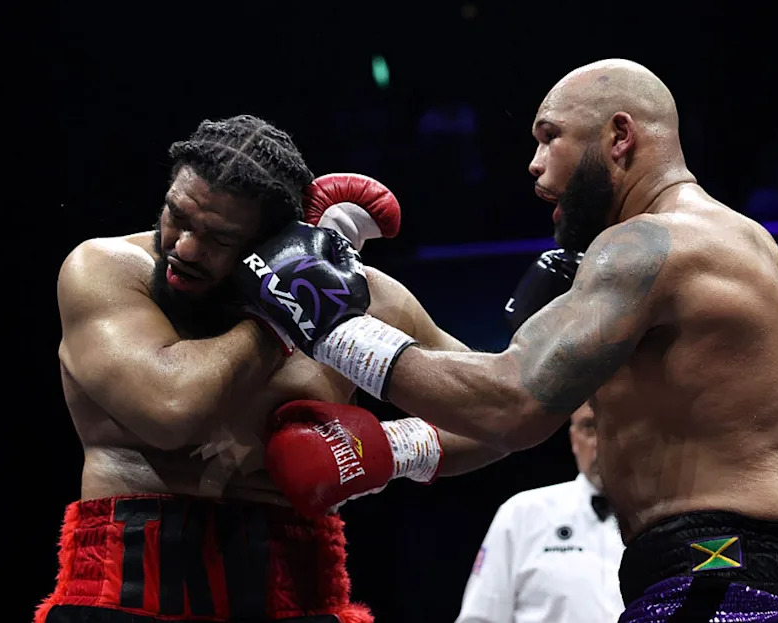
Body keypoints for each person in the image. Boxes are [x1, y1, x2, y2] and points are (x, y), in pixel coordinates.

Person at [246, 60, 778, 621]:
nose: (533, 162)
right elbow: (525, 407)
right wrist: (394, 446)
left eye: (550, 136)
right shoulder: (745, 243)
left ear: (620, 136)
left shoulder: (643, 244)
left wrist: (330, 325)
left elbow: (510, 401)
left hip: (726, 580)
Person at [39, 114, 506, 623]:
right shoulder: (106, 270)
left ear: (272, 238)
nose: (184, 247)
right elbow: (172, 409)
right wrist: (285, 308)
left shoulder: (365, 299)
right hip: (127, 589)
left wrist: (394, 450)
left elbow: (501, 410)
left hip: (300, 593)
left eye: (219, 238)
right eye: (176, 216)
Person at [454, 403, 626, 623]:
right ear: (574, 439)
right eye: (589, 427)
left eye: (612, 428)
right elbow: (480, 619)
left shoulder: (661, 518)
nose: (600, 444)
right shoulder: (523, 514)